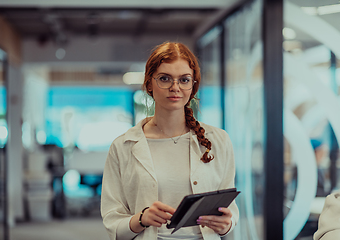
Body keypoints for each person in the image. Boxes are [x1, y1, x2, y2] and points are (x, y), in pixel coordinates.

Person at [101, 42, 239, 240]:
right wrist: (142, 218)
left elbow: (230, 210)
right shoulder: (123, 146)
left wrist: (227, 223)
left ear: (193, 86)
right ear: (149, 84)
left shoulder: (218, 140)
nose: (175, 87)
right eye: (165, 79)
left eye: (184, 80)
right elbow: (112, 224)